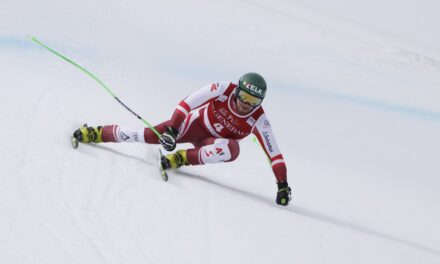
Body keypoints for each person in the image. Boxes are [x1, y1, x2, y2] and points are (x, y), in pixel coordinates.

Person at [73, 73, 292, 206]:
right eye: (244, 96)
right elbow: (187, 103)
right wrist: (173, 130)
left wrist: (282, 185)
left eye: (253, 101)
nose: (246, 104)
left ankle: (181, 158)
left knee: (231, 150)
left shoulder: (258, 120)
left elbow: (275, 155)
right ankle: (96, 133)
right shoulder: (225, 89)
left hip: (210, 143)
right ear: (238, 91)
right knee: (147, 136)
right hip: (191, 126)